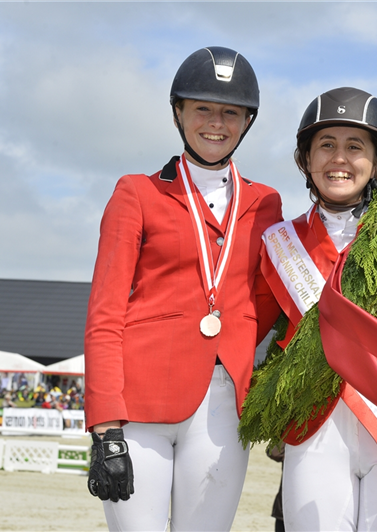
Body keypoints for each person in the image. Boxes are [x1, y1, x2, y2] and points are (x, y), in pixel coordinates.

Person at [84, 46, 282, 531]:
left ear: (247, 121)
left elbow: (263, 304)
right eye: (202, 109)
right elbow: (105, 313)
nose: (216, 122)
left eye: (230, 112)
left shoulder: (266, 204)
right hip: (139, 403)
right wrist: (105, 424)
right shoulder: (137, 193)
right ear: (178, 112)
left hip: (221, 406)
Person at [255, 87, 377, 531]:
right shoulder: (279, 243)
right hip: (313, 427)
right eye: (326, 145)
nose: (340, 158)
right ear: (306, 160)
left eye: (355, 146)